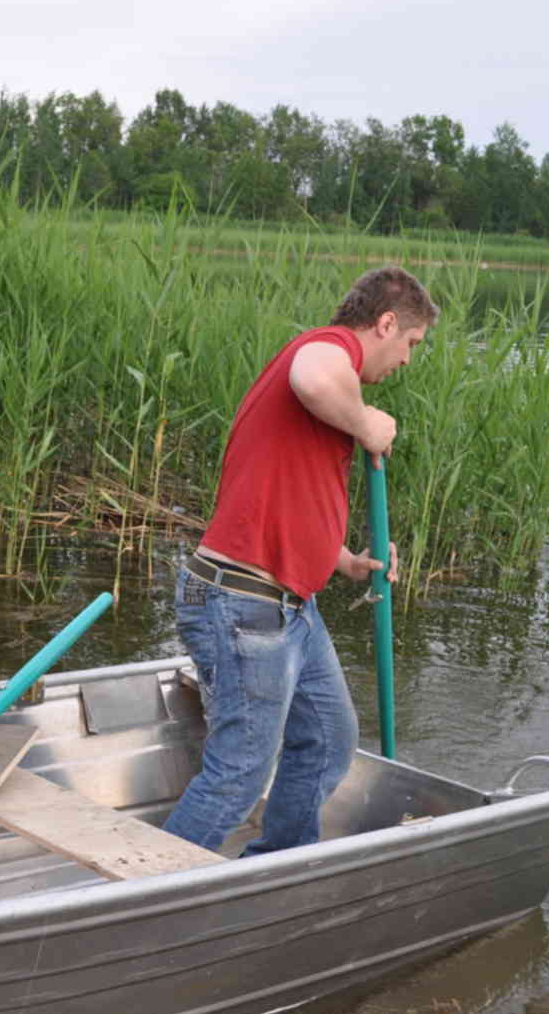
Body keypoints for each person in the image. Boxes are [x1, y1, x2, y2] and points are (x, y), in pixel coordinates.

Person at [164, 265, 436, 855]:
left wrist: (341, 560)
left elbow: (287, 486)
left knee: (329, 740)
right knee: (238, 776)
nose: (409, 361)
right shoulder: (327, 350)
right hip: (244, 604)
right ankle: (133, 902)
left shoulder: (334, 387)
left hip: (289, 604)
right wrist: (367, 423)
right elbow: (311, 379)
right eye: (411, 344)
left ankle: (276, 865)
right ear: (386, 323)